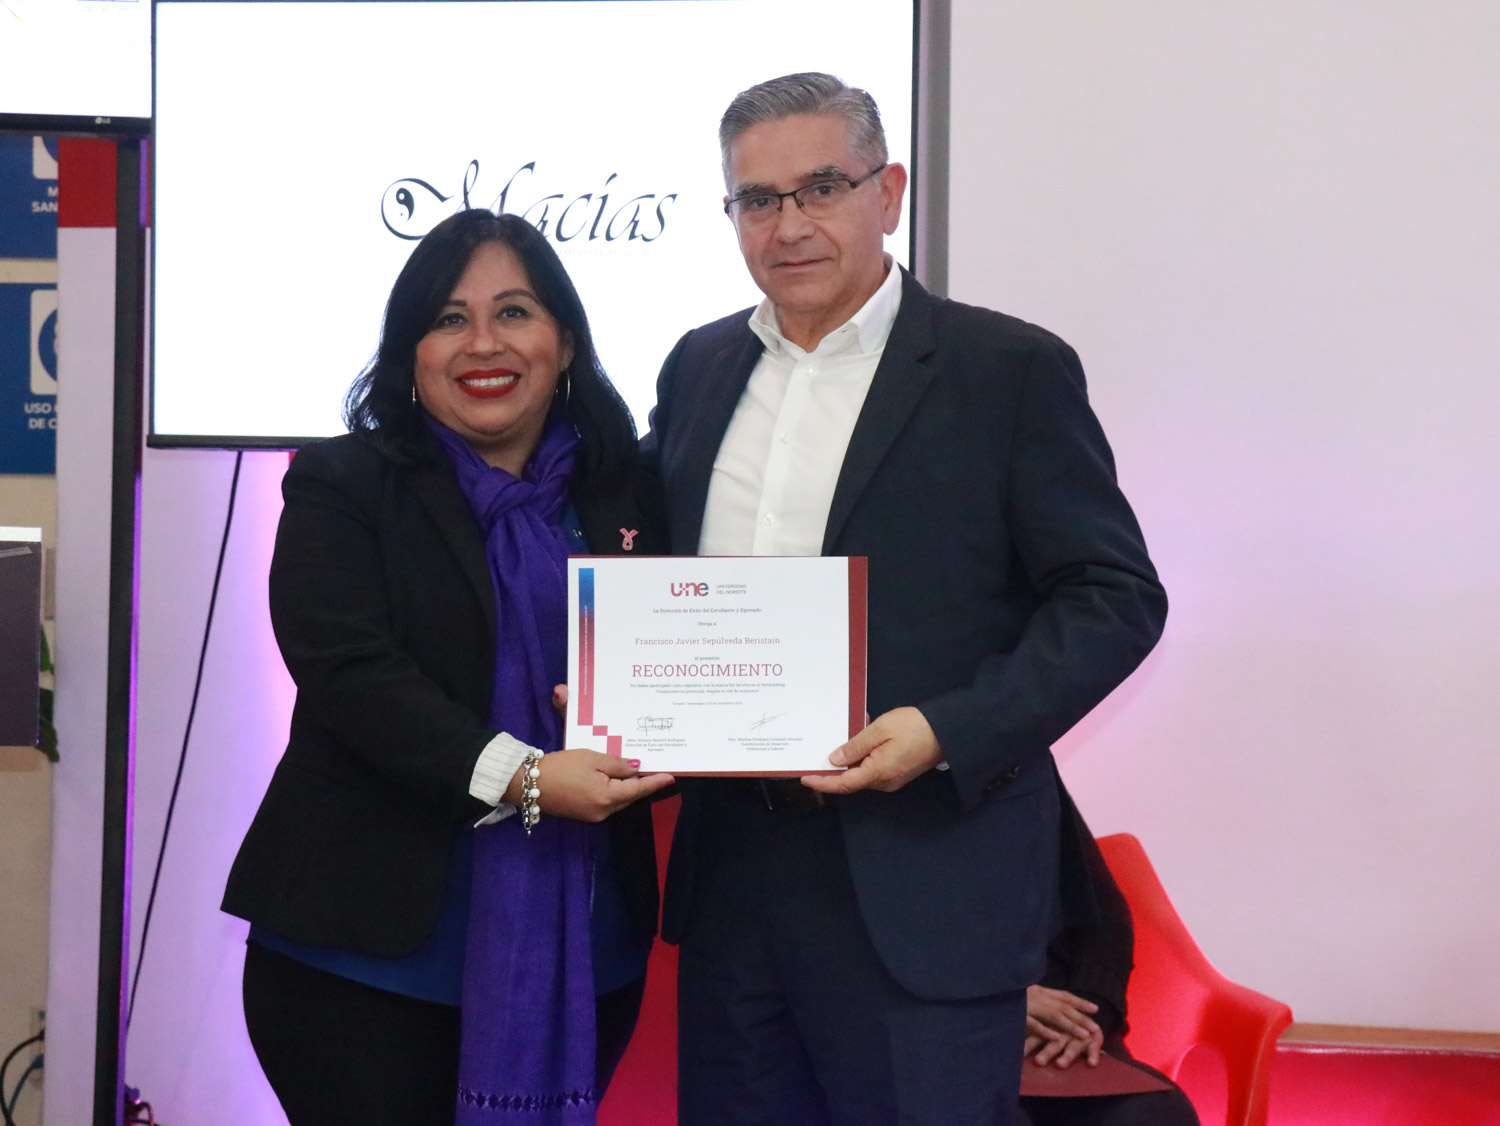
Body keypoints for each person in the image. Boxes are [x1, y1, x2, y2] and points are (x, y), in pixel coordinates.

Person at [642, 72, 1168, 1126]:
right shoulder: (699, 367)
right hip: (736, 879)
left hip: (928, 881)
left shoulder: (1007, 370)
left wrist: (945, 729)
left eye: (821, 188)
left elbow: (1114, 596)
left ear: (887, 193)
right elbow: (659, 571)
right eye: (758, 199)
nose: (789, 224)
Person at [222, 208, 675, 1126]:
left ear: (566, 343)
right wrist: (528, 778)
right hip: (362, 959)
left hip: (588, 954)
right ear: (411, 354)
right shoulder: (343, 484)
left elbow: (686, 657)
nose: (482, 344)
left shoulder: (626, 495)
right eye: (448, 318)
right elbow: (350, 674)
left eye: (514, 312)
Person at [1020, 792, 1200, 1126]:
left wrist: (1086, 1016)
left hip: (1063, 1034)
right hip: (954, 1032)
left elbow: (1104, 915)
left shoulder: (1028, 775)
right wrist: (998, 1002)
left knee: (1154, 1113)